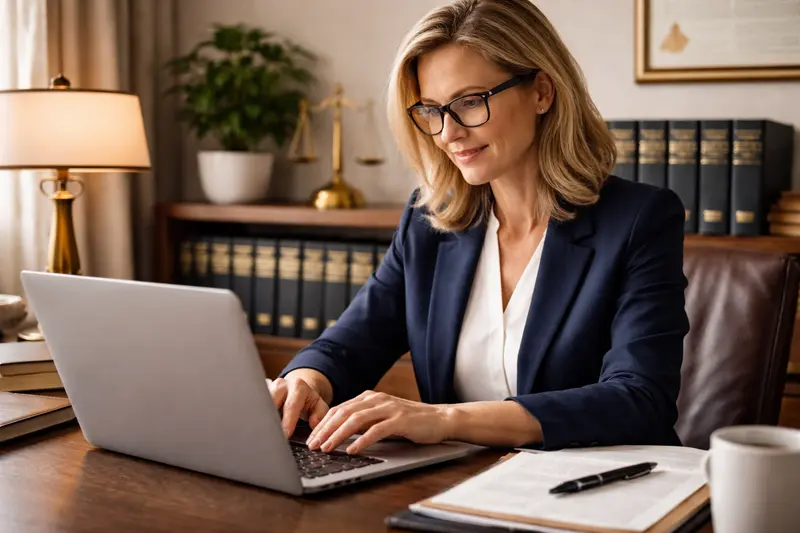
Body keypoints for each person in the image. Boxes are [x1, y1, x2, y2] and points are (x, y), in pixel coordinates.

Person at [269, 0, 689, 456]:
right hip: (460, 487)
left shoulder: (639, 219)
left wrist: (446, 419)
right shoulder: (430, 221)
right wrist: (304, 381)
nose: (448, 132)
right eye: (431, 110)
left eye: (470, 102)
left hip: (595, 490)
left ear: (542, 92)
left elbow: (639, 398)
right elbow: (349, 344)